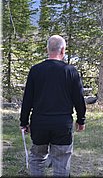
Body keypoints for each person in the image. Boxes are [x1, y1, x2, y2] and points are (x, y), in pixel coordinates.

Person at [19, 35, 86, 177]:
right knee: (61, 162)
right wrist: (81, 120)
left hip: (39, 123)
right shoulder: (70, 71)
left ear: (47, 49)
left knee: (37, 158)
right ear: (62, 50)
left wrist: (24, 122)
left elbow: (27, 99)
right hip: (62, 125)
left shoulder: (35, 70)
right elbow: (79, 99)